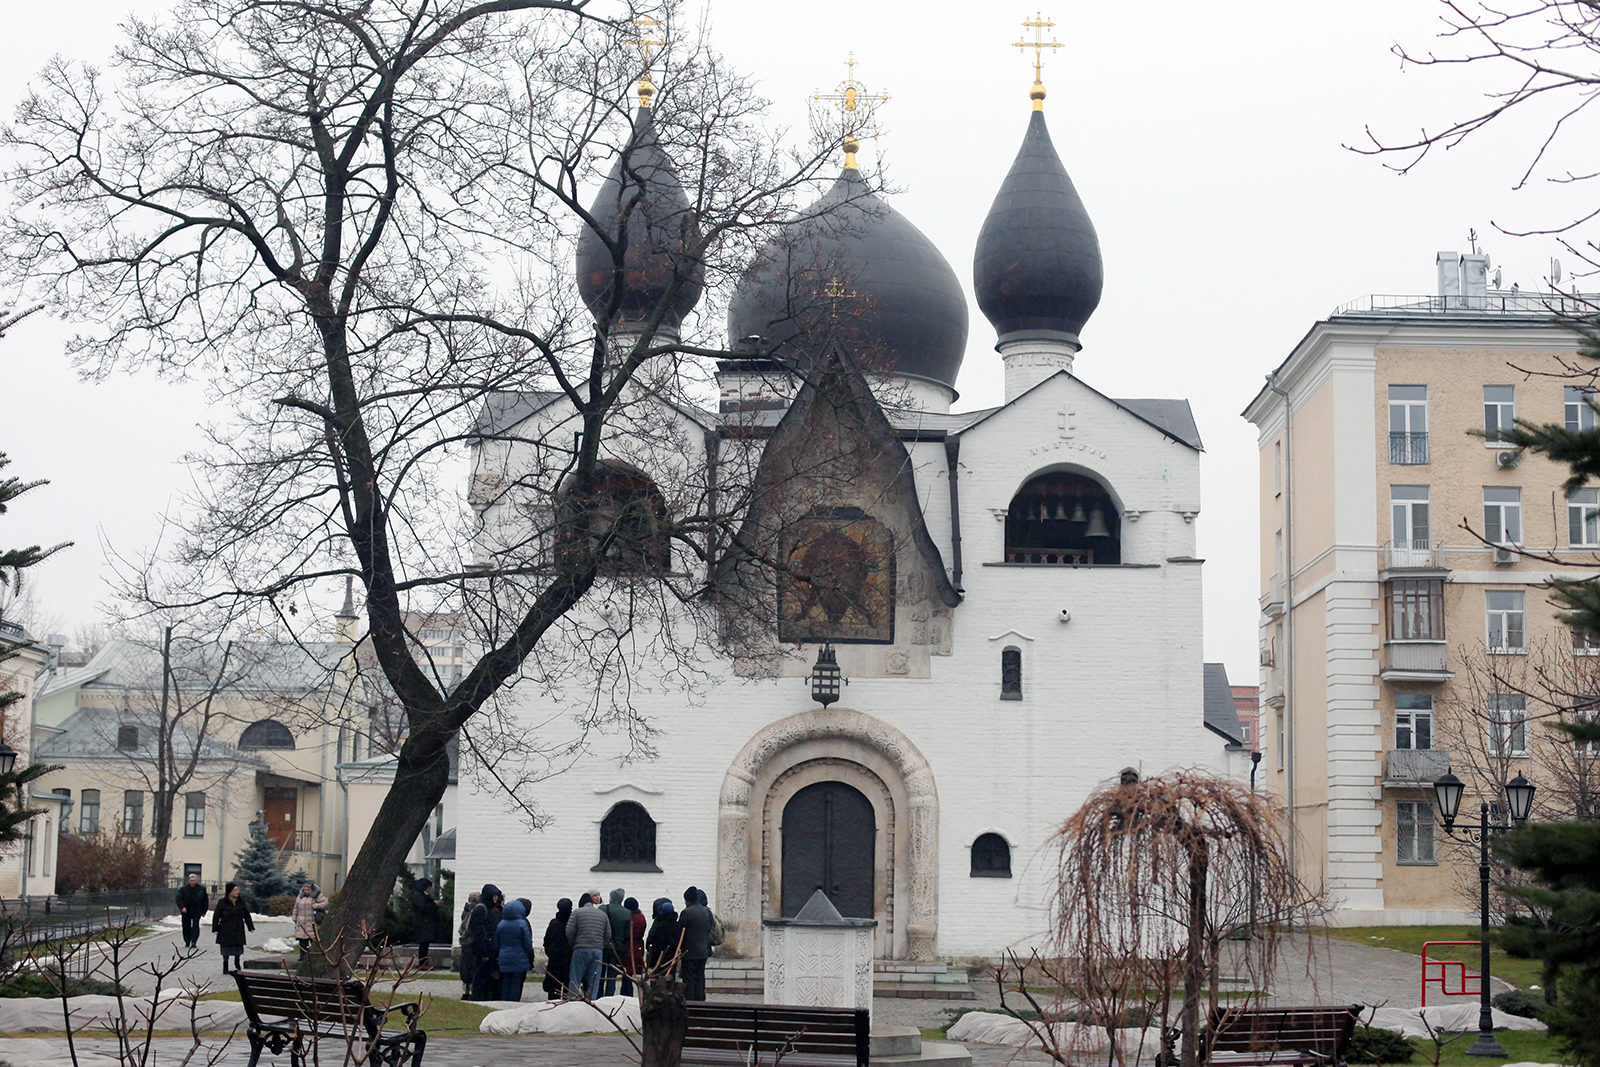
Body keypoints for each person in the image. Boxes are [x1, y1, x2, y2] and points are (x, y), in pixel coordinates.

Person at [565, 889, 608, 1000]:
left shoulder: (576, 913)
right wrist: (601, 944)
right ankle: (591, 1002)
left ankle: (573, 1001)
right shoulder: (602, 915)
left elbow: (569, 931)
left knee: (575, 978)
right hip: (598, 950)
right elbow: (608, 934)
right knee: (594, 980)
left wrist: (573, 944)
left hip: (580, 948)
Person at [493, 898, 534, 1003]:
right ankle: (513, 1004)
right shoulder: (522, 924)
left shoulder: (501, 924)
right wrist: (530, 956)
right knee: (516, 983)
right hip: (519, 958)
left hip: (504, 957)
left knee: (505, 982)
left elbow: (496, 942)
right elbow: (527, 943)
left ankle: (503, 1003)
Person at [467, 883, 503, 1001]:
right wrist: (484, 952)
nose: (496, 899)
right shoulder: (481, 909)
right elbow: (478, 933)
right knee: (480, 977)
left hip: (489, 950)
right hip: (482, 951)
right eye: (494, 896)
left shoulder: (491, 909)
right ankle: (477, 998)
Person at [678, 886, 713, 1001]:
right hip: (703, 952)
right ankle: (701, 1003)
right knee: (700, 979)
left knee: (689, 980)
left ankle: (690, 1003)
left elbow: (680, 931)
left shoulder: (686, 912)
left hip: (689, 953)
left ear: (687, 900)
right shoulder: (706, 912)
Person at [211, 882, 254, 974]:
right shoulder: (222, 902)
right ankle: (225, 965)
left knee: (238, 948)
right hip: (225, 929)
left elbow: (246, 915)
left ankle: (237, 963)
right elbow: (216, 916)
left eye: (237, 890)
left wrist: (250, 926)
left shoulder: (241, 902)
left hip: (238, 928)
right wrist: (215, 928)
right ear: (229, 891)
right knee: (225, 949)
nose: (236, 892)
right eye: (234, 890)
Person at [598, 887, 629, 997]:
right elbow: (627, 934)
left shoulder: (602, 909)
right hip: (617, 948)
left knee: (600, 974)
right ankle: (609, 997)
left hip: (602, 946)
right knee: (612, 976)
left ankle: (598, 997)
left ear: (611, 897)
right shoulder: (627, 913)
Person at [542, 898, 573, 1001]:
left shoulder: (554, 923)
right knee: (568, 988)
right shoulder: (572, 923)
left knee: (554, 989)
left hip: (555, 959)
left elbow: (547, 940)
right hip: (569, 959)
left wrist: (550, 953)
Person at [290, 881, 327, 960]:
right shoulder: (300, 897)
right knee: (302, 940)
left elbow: (325, 903)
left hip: (312, 921)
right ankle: (303, 956)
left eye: (308, 889)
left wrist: (317, 906)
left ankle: (314, 956)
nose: (306, 891)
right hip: (302, 922)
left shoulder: (317, 895)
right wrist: (294, 917)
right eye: (305, 889)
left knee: (313, 939)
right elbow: (296, 908)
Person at [644, 898, 681, 975]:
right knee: (670, 979)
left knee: (659, 981)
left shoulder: (660, 926)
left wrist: (649, 949)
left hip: (660, 958)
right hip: (672, 957)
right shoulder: (677, 925)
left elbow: (654, 940)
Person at [411, 877, 441, 970]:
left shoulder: (422, 896)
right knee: (423, 944)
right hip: (423, 923)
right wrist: (434, 905)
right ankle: (422, 962)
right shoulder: (419, 896)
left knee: (425, 944)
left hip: (425, 922)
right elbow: (424, 908)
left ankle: (423, 961)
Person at [456, 890, 480, 999]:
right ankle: (471, 991)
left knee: (465, 967)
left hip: (465, 944)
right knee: (473, 967)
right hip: (473, 943)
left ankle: (465, 990)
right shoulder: (477, 911)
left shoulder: (465, 911)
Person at [175, 874, 208, 950]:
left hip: (197, 910)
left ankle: (194, 941)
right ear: (189, 881)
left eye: (194, 880)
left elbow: (205, 901)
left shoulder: (201, 889)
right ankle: (187, 941)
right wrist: (182, 907)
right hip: (186, 910)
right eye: (191, 880)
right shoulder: (183, 889)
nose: (193, 882)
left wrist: (204, 911)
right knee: (186, 926)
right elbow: (178, 899)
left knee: (195, 925)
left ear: (196, 880)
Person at [624, 897, 646, 996]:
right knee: (634, 973)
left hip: (630, 946)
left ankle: (627, 995)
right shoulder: (642, 917)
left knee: (627, 974)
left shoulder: (630, 918)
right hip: (639, 946)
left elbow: (627, 933)